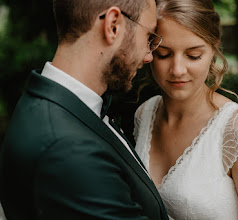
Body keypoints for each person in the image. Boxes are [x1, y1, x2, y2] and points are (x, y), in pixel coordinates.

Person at [0, 0, 169, 219]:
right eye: (148, 36)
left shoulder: (50, 99)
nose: (149, 55)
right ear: (113, 25)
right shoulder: (68, 150)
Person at [133, 0, 238, 219]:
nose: (177, 70)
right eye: (163, 54)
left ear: (214, 48)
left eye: (193, 55)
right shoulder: (145, 114)